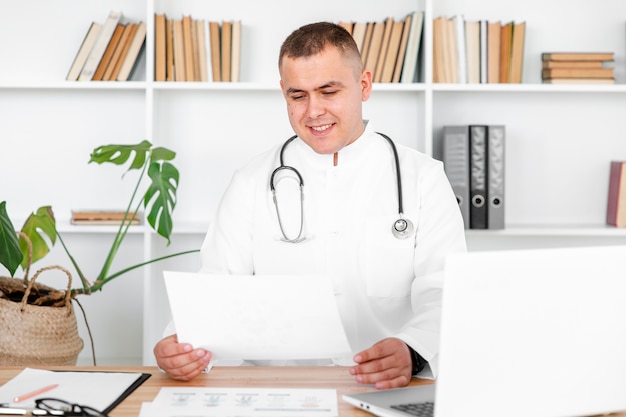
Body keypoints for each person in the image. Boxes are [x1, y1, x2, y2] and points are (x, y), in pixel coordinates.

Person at [154, 21, 466, 389]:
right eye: (297, 95)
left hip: (386, 388)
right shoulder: (251, 181)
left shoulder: (423, 179)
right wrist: (180, 343)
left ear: (364, 85)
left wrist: (412, 351)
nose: (313, 110)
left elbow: (446, 291)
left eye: (328, 91)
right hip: (275, 391)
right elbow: (217, 283)